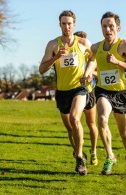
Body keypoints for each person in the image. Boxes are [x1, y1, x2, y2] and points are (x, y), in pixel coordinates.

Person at [83, 11, 126, 181]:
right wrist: (88, 72)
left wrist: (118, 62)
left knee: (125, 133)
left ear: (118, 27)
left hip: (121, 93)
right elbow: (92, 59)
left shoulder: (124, 45)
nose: (108, 29)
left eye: (111, 26)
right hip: (103, 90)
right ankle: (110, 156)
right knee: (101, 119)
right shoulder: (96, 46)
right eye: (104, 26)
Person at [39, 10, 93, 175]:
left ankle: (79, 158)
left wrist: (88, 72)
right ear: (60, 25)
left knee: (75, 118)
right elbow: (41, 69)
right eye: (64, 23)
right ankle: (78, 151)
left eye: (69, 23)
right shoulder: (53, 45)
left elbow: (94, 58)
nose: (67, 26)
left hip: (80, 88)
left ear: (74, 25)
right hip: (62, 92)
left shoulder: (83, 43)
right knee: (70, 128)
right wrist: (56, 57)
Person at [73, 31, 99, 166]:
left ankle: (93, 151)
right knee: (75, 122)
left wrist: (90, 74)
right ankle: (79, 151)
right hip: (74, 91)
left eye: (83, 40)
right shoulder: (72, 54)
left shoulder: (91, 55)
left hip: (89, 92)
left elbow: (98, 72)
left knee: (91, 123)